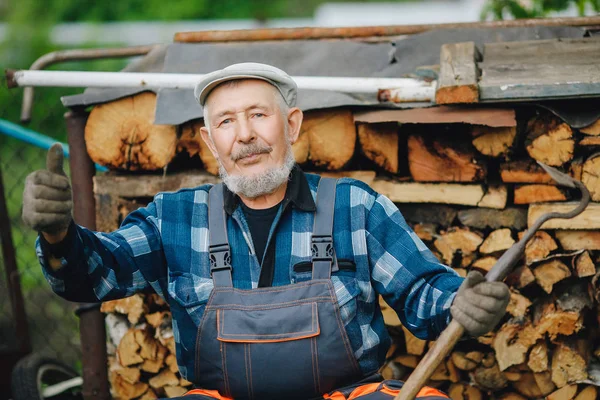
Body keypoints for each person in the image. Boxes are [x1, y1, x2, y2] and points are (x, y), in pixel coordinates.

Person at [23, 63, 510, 400]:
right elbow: (94, 275)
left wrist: (459, 304)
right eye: (227, 122)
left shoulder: (354, 207)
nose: (245, 134)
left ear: (292, 124)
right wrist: (59, 234)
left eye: (259, 114)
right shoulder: (175, 218)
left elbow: (426, 294)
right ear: (210, 141)